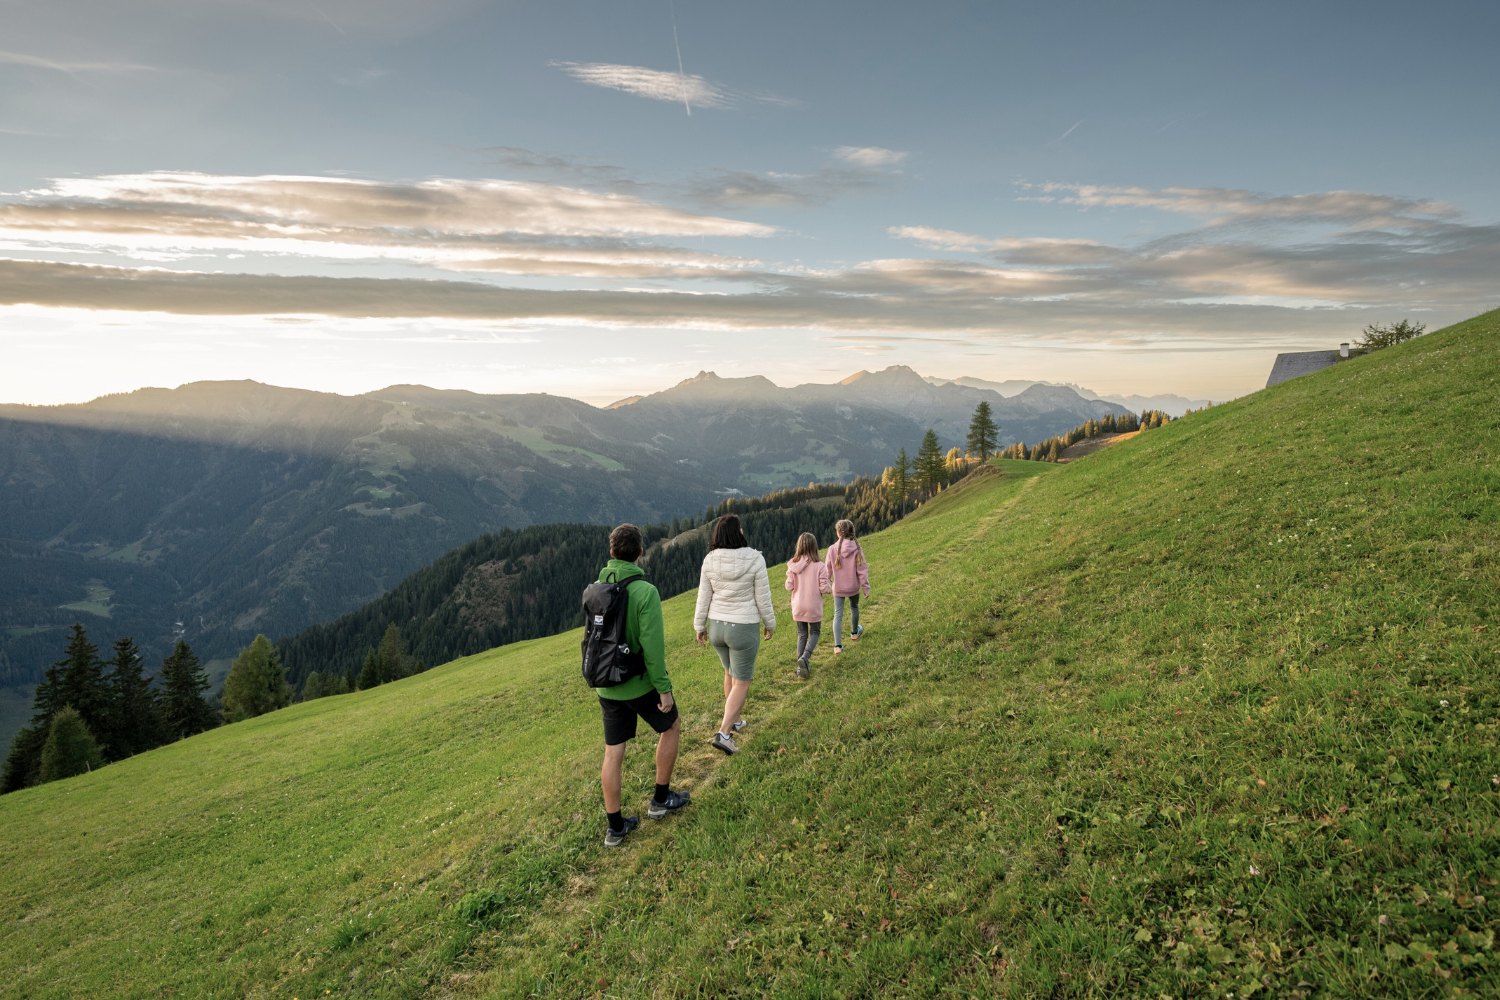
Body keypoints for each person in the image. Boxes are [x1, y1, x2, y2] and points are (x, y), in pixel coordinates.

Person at [593, 523, 690, 847]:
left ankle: (615, 827)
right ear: (640, 553)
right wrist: (663, 689)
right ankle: (660, 800)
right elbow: (652, 647)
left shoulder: (598, 586)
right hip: (638, 683)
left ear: (611, 552)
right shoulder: (645, 591)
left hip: (606, 683)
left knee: (613, 752)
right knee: (671, 725)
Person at [693, 513, 775, 754]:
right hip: (743, 626)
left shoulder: (710, 560)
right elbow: (763, 597)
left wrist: (699, 626)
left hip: (717, 626)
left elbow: (703, 596)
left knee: (729, 673)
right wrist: (770, 623)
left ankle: (736, 720)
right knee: (743, 680)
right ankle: (724, 732)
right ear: (738, 532)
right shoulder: (754, 558)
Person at [784, 532, 831, 679]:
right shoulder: (820, 566)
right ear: (814, 547)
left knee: (802, 634)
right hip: (813, 605)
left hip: (798, 605)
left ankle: (800, 668)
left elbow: (788, 586)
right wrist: (831, 587)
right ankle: (805, 658)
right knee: (815, 632)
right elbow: (824, 588)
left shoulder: (793, 566)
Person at [825, 518, 870, 654]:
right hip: (853, 587)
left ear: (838, 533)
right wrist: (866, 587)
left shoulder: (832, 549)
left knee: (837, 614)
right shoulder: (857, 548)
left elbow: (827, 570)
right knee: (854, 607)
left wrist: (825, 584)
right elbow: (862, 570)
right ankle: (854, 633)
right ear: (852, 532)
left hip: (838, 588)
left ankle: (837, 646)